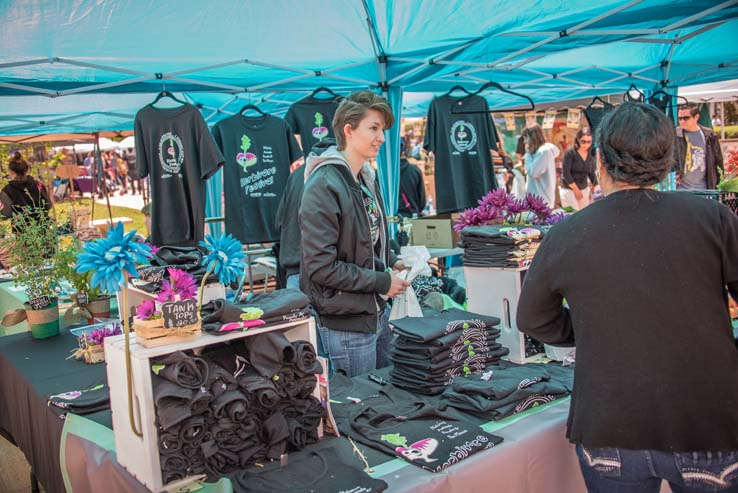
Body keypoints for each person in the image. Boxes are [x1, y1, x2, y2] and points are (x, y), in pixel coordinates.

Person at [516, 102, 738, 493]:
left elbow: (533, 319)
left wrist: (591, 328)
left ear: (600, 159)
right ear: (670, 161)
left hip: (609, 421)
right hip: (706, 416)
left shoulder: (567, 233)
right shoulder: (713, 218)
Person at [299, 90, 409, 377]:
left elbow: (364, 240)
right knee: (358, 406)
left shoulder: (363, 178)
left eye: (382, 129)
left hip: (374, 311)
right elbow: (321, 267)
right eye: (373, 128)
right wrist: (382, 281)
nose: (382, 137)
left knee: (387, 397)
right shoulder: (324, 184)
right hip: (345, 321)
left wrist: (392, 258)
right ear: (349, 130)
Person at [675, 102, 724, 190]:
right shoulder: (675, 135)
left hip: (705, 190)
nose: (682, 121)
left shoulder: (709, 135)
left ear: (696, 117)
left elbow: (718, 161)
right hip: (681, 190)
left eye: (686, 118)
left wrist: (719, 185)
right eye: (680, 118)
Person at [0, 153, 51, 230]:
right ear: (27, 170)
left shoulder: (7, 190)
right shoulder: (39, 185)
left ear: (12, 172)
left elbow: (6, 214)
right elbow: (48, 205)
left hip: (23, 231)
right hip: (43, 226)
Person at [522, 124, 559, 207]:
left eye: (526, 138)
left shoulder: (543, 152)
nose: (525, 142)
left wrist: (527, 153)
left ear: (533, 137)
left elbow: (533, 172)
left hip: (541, 201)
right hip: (539, 199)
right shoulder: (541, 151)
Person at [560, 127, 596, 210]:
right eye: (583, 142)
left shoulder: (590, 154)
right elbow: (566, 173)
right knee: (572, 214)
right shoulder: (570, 153)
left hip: (584, 189)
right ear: (578, 140)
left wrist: (594, 187)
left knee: (584, 217)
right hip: (569, 189)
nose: (586, 144)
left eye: (589, 142)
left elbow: (591, 172)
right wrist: (576, 190)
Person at [397, 140, 426, 218]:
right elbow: (422, 202)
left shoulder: (381, 175)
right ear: (403, 152)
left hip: (390, 221)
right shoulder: (415, 171)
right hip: (412, 218)